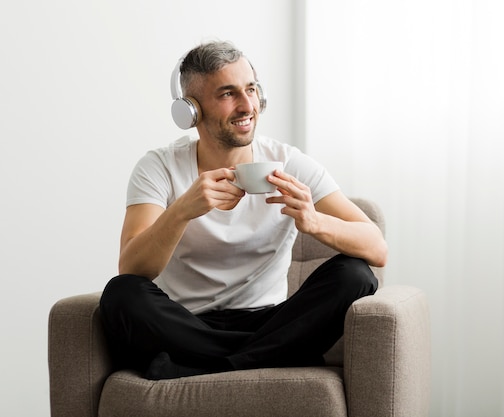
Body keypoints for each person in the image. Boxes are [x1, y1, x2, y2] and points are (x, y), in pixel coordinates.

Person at [99, 40, 387, 380]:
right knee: (121, 295)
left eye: (251, 89)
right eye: (227, 94)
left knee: (355, 274)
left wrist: (315, 221)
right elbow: (131, 268)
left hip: (270, 320)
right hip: (188, 323)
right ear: (190, 110)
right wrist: (182, 211)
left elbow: (377, 248)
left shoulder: (289, 162)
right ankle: (270, 356)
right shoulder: (158, 167)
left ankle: (205, 367)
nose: (247, 105)